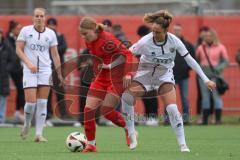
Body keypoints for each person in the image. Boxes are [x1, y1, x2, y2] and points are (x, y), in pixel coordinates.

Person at [121, 10, 216, 152]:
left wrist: (206, 79)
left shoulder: (174, 41)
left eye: (157, 32)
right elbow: (128, 54)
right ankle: (132, 132)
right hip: (145, 75)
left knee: (172, 108)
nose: (154, 34)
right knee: (127, 97)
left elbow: (190, 60)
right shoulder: (145, 41)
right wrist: (127, 72)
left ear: (166, 31)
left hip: (164, 75)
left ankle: (183, 144)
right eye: (153, 31)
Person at [79, 17, 134, 152]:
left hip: (116, 77)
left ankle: (128, 128)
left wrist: (128, 74)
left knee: (106, 111)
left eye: (86, 33)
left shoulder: (107, 39)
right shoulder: (88, 41)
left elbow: (128, 54)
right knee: (88, 109)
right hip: (101, 77)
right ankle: (91, 144)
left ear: (93, 29)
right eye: (82, 34)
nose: (84, 37)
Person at [16, 8, 64, 142]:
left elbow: (55, 54)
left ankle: (38, 134)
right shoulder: (25, 30)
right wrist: (28, 63)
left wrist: (59, 73)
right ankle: (26, 124)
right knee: (31, 103)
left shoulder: (51, 33)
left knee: (43, 103)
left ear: (45, 18)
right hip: (29, 70)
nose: (39, 18)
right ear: (33, 17)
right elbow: (18, 50)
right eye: (36, 16)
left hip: (45, 70)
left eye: (41, 16)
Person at [196, 29, 229, 125]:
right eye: (206, 36)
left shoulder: (220, 47)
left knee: (216, 96)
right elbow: (196, 60)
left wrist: (218, 68)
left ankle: (218, 119)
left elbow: (225, 61)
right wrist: (200, 70)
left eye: (209, 35)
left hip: (216, 75)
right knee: (205, 97)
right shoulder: (200, 47)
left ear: (214, 36)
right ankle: (205, 120)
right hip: (204, 75)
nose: (207, 37)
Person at [46, 17, 68, 126]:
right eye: (49, 25)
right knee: (47, 92)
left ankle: (63, 114)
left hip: (58, 67)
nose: (51, 26)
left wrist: (54, 48)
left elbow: (64, 48)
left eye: (53, 24)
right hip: (47, 67)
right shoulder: (44, 36)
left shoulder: (60, 35)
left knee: (60, 91)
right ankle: (48, 115)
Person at [172, 23, 195, 124]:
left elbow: (193, 58)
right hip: (170, 76)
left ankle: (186, 119)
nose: (177, 32)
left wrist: (187, 69)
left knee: (184, 98)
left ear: (181, 31)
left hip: (184, 75)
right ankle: (168, 119)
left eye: (178, 30)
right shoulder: (169, 44)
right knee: (169, 98)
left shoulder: (188, 45)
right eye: (175, 30)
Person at [137, 25, 159, 126]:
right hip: (143, 73)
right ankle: (147, 116)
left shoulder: (154, 43)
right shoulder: (143, 43)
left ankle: (153, 117)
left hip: (153, 72)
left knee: (152, 95)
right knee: (145, 95)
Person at [5, 20, 25, 123]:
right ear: (12, 29)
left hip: (20, 67)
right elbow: (12, 55)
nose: (20, 30)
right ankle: (21, 112)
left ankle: (18, 112)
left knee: (21, 88)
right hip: (11, 68)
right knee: (21, 88)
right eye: (18, 29)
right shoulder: (7, 39)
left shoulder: (20, 39)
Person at [0, 28, 15, 124]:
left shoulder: (7, 46)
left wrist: (6, 69)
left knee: (2, 97)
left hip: (4, 76)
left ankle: (1, 119)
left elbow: (12, 59)